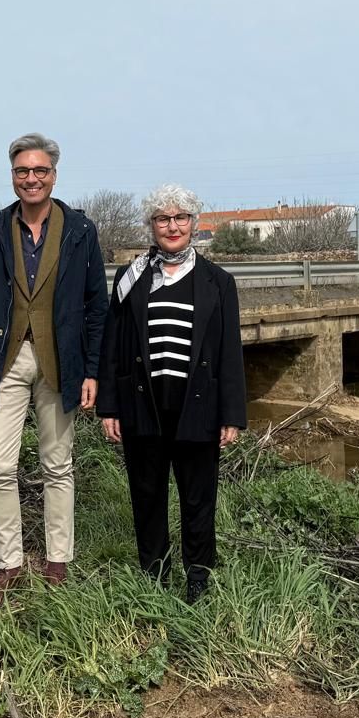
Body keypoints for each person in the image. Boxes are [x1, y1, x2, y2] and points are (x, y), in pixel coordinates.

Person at [0, 133, 108, 608]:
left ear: (54, 175)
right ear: (12, 176)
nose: (31, 178)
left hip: (60, 361)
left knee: (57, 463)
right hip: (4, 361)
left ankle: (57, 561)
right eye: (23, 171)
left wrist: (91, 370)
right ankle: (9, 565)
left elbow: (96, 306)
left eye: (40, 170)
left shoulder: (81, 231)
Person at [98, 185, 245, 603]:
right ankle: (154, 575)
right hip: (143, 403)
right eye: (163, 219)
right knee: (147, 494)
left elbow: (230, 352)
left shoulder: (218, 282)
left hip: (197, 404)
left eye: (181, 218)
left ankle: (197, 576)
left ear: (194, 224)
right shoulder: (132, 279)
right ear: (152, 226)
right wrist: (109, 405)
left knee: (198, 496)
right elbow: (114, 345)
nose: (172, 226)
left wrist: (231, 413)